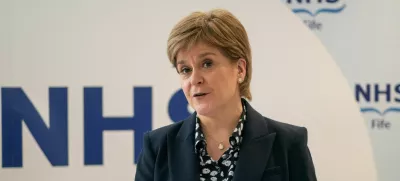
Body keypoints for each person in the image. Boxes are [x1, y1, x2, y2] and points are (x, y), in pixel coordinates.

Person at [135, 8, 317, 181]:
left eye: (207, 64)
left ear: (240, 69)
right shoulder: (157, 147)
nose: (194, 79)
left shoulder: (288, 144)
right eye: (185, 69)